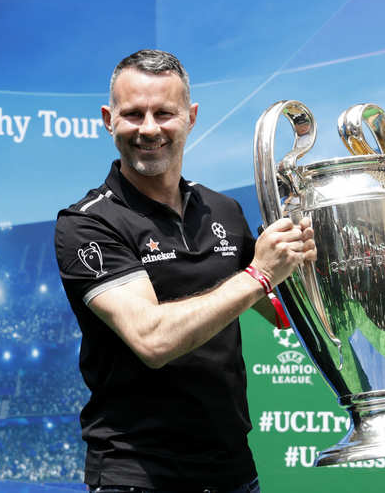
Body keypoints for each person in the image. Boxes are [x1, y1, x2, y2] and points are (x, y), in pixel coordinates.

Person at [54, 49, 316, 492]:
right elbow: (152, 339)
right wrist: (258, 274)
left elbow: (282, 312)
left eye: (164, 113)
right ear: (108, 120)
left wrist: (309, 257)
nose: (149, 128)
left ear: (191, 117)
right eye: (133, 114)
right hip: (138, 475)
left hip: (234, 471)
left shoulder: (222, 209)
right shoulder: (88, 224)